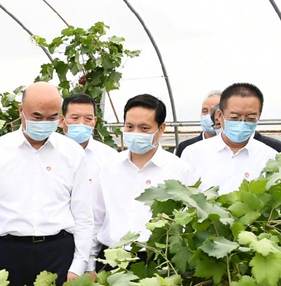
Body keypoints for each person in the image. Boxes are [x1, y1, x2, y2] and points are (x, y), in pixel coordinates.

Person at [0, 82, 90, 286]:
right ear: (21, 111)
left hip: (58, 252)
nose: (44, 123)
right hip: (10, 253)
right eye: (36, 117)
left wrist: (78, 264)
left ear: (60, 117)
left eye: (52, 118)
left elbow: (83, 214)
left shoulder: (72, 152)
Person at [87, 94, 196, 270]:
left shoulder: (179, 170)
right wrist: (90, 262)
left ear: (161, 129)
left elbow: (185, 221)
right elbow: (96, 218)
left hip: (156, 259)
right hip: (110, 257)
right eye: (130, 127)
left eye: (144, 128)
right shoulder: (108, 166)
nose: (135, 133)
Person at [181, 83, 276, 192]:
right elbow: (184, 200)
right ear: (219, 116)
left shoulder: (270, 157)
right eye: (234, 117)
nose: (242, 123)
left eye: (250, 118)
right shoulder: (193, 154)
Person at [59, 92, 119, 174]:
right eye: (75, 118)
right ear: (61, 121)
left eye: (88, 119)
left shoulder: (109, 157)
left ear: (95, 121)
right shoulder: (49, 154)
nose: (81, 123)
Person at [174, 90, 221, 157]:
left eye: (213, 111)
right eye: (204, 111)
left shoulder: (233, 146)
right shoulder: (186, 147)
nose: (208, 115)